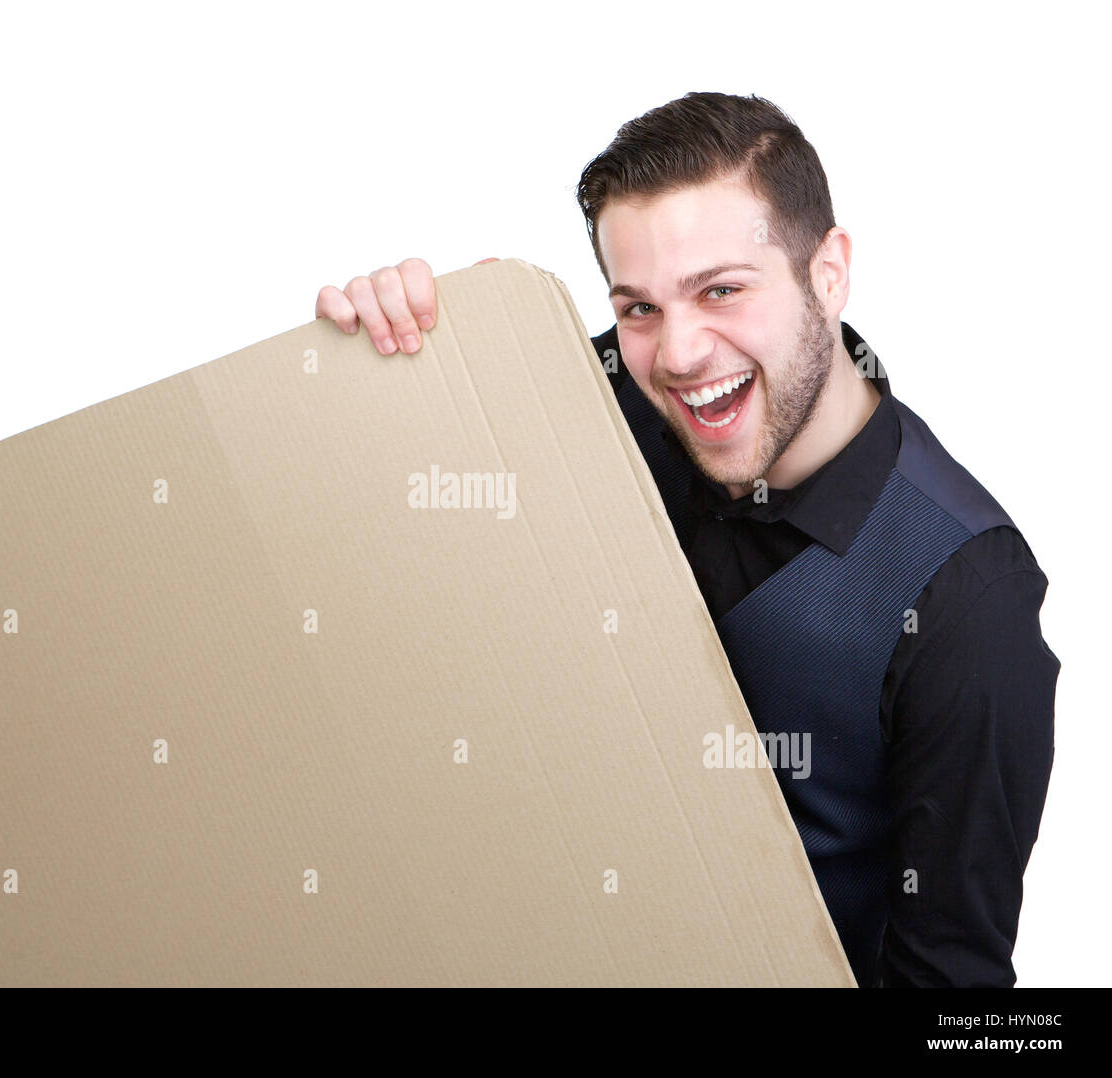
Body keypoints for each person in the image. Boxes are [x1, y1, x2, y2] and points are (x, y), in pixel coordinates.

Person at [313, 92, 1059, 988]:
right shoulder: (603, 397)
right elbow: (384, 521)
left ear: (829, 273)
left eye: (722, 291)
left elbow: (959, 1005)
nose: (678, 353)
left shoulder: (965, 597)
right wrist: (407, 346)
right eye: (638, 309)